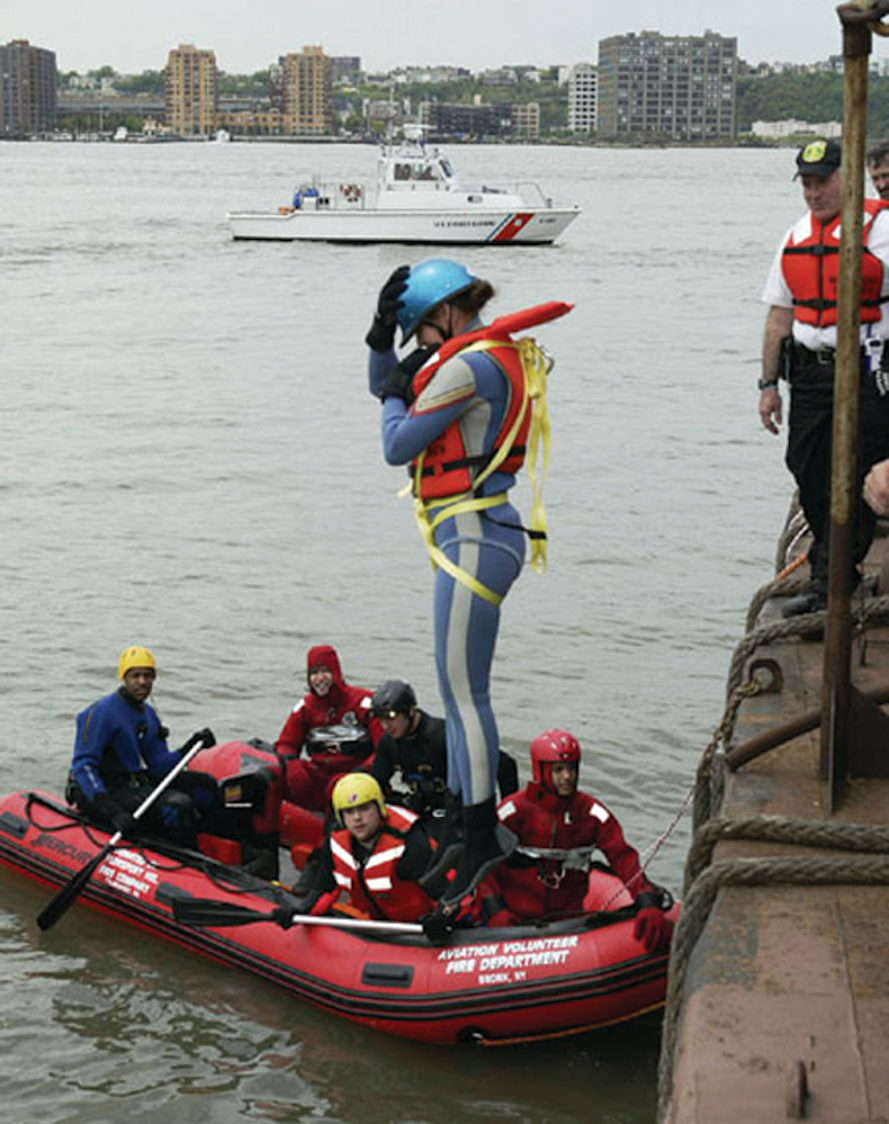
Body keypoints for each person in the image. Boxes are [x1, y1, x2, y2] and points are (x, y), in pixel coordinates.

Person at [366, 259, 571, 905]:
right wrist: (379, 342)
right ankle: (460, 821)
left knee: (466, 697)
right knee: (456, 698)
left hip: (475, 537)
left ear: (445, 314)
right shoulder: (484, 355)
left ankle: (479, 835)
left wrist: (395, 390)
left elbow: (396, 445)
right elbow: (386, 386)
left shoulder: (465, 367)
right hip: (475, 535)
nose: (420, 346)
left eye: (421, 332)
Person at [759, 138, 889, 616]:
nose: (815, 193)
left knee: (866, 474)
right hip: (812, 374)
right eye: (807, 184)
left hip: (870, 371)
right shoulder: (795, 236)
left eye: (824, 182)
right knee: (806, 466)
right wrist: (768, 386)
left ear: (846, 179)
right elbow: (778, 317)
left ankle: (831, 580)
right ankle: (832, 570)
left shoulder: (882, 228)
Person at [494, 730, 672, 952]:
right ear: (540, 770)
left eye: (571, 768)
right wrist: (495, 910)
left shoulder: (591, 814)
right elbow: (482, 866)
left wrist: (647, 901)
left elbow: (623, 858)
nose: (567, 777)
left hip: (569, 922)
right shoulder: (513, 812)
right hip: (515, 921)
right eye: (558, 770)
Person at [67, 645, 220, 849]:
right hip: (99, 791)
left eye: (147, 676)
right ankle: (191, 857)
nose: (142, 682)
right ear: (124, 678)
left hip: (132, 784)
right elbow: (83, 767)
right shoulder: (100, 713)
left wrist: (190, 746)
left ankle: (229, 849)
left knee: (205, 785)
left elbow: (159, 766)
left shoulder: (148, 714)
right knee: (177, 805)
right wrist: (113, 812)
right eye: (136, 676)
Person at [368, 678, 519, 827]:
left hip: (454, 811)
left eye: (391, 717)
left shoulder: (445, 736)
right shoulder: (389, 743)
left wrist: (505, 815)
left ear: (411, 710)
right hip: (420, 806)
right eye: (381, 719)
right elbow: (376, 783)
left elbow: (505, 765)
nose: (385, 726)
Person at [305, 772, 436, 922]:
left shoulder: (409, 841)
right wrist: (301, 910)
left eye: (364, 808)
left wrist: (439, 920)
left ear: (379, 808)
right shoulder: (336, 842)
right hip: (373, 925)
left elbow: (443, 895)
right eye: (349, 811)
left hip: (419, 925)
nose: (357, 818)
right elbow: (323, 890)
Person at [274, 644, 382, 812]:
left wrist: (363, 771)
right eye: (314, 673)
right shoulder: (305, 708)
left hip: (356, 776)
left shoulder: (364, 703)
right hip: (319, 774)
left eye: (325, 671)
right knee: (272, 779)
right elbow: (286, 744)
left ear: (336, 672)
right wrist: (291, 764)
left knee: (338, 788)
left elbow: (384, 749)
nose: (320, 678)